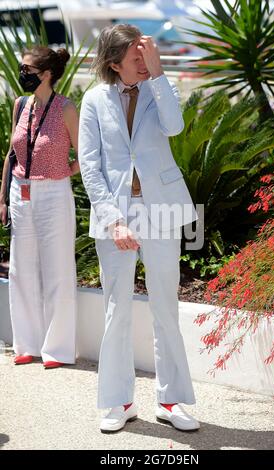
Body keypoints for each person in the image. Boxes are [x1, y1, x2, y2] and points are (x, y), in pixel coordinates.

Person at [79, 24, 200, 432]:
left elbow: (175, 126)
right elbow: (91, 167)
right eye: (137, 56)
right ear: (115, 63)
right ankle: (119, 401)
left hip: (161, 208)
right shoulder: (93, 100)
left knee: (166, 305)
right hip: (115, 212)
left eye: (146, 53)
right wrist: (114, 221)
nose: (144, 61)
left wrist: (159, 71)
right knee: (118, 309)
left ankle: (172, 400)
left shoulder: (158, 87)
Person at [0, 46, 80, 369]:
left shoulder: (66, 109)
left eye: (28, 69)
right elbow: (11, 155)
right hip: (21, 192)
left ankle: (57, 349)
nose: (22, 74)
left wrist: (64, 173)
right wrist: (3, 198)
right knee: (21, 270)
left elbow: (84, 156)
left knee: (57, 269)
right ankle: (26, 344)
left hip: (54, 193)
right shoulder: (21, 106)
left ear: (46, 74)